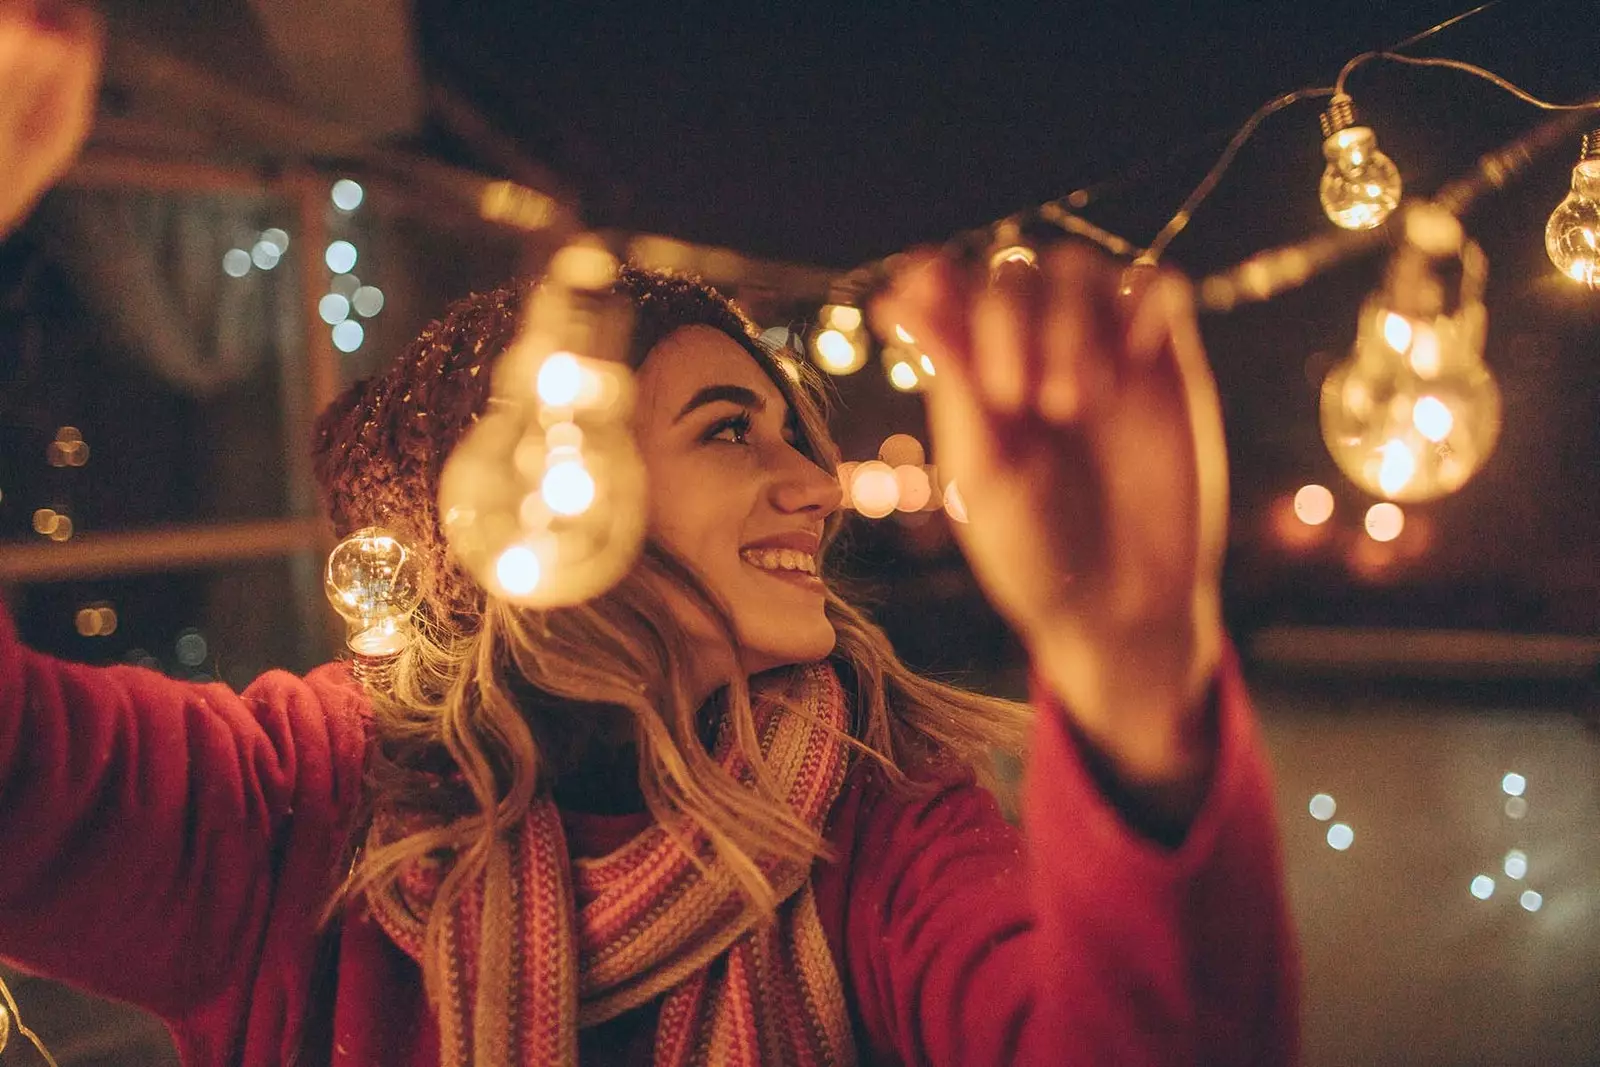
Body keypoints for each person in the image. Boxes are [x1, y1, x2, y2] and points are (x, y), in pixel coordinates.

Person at [0, 4, 1297, 1064]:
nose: (821, 486)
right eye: (733, 429)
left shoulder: (882, 824)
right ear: (529, 476)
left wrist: (1135, 657)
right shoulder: (299, 806)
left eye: (798, 431)